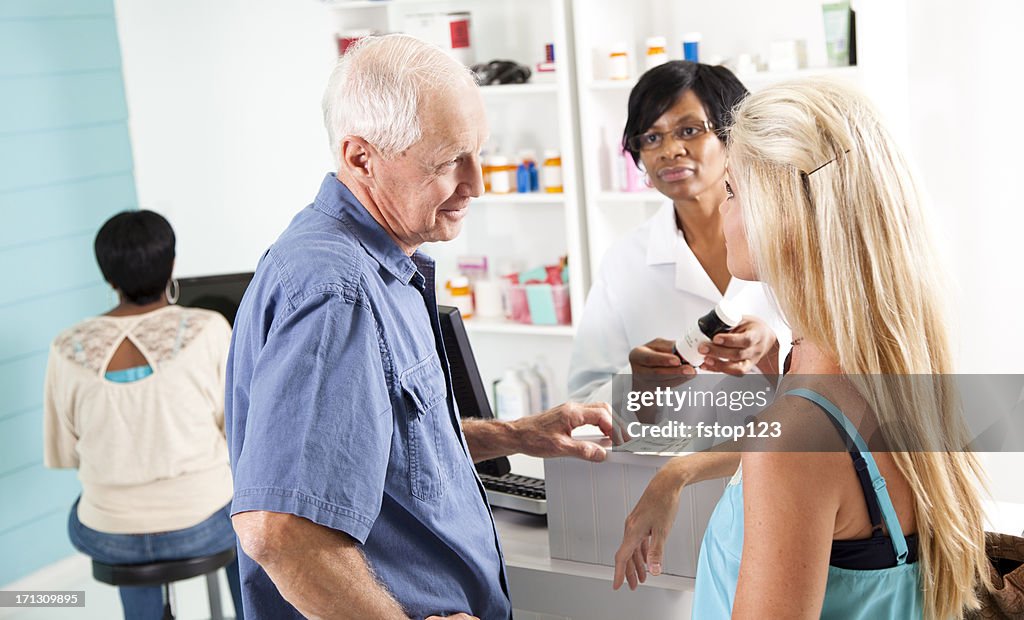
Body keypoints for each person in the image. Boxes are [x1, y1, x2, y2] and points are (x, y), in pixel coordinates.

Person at [225, 34, 614, 620]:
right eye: (447, 160)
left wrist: (513, 434)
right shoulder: (338, 291)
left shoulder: (379, 265)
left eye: (479, 152)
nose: (477, 183)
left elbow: (385, 451)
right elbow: (279, 530)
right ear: (361, 158)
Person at [613, 78, 990, 618]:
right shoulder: (900, 378)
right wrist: (689, 463)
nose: (721, 209)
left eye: (734, 191)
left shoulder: (797, 437)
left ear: (782, 215)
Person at [43, 210, 244, 620]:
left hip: (110, 536)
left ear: (109, 277)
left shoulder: (66, 347)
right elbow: (238, 434)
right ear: (171, 264)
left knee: (107, 513)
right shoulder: (208, 329)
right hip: (204, 524)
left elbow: (65, 454)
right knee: (249, 514)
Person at [568, 61, 790, 411]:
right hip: (670, 462)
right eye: (652, 137)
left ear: (734, 136)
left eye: (689, 130)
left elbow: (850, 381)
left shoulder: (795, 242)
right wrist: (635, 383)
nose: (669, 150)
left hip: (785, 461)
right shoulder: (625, 261)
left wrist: (776, 349)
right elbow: (584, 401)